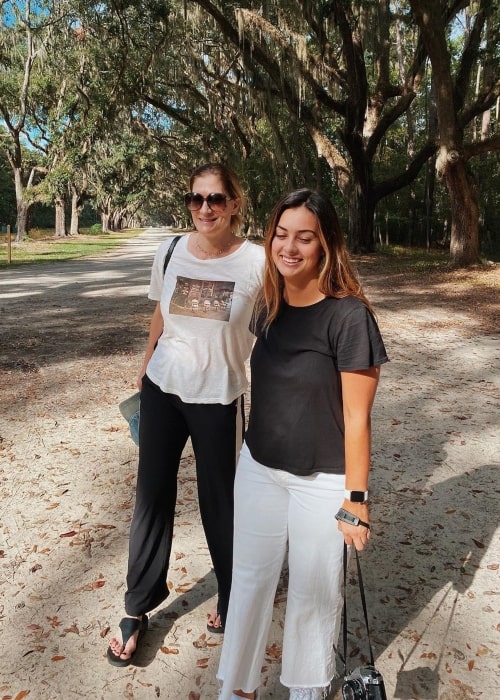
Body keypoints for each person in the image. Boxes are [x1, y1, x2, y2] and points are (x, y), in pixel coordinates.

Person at [216, 189, 389, 700]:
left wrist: (355, 501)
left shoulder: (349, 316)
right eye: (281, 234)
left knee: (314, 597)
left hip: (323, 480)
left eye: (304, 237)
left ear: (326, 245)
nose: (289, 247)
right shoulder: (266, 305)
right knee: (248, 582)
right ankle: (237, 688)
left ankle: (307, 690)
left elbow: (358, 417)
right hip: (259, 468)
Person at [107, 163, 265, 666]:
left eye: (216, 199)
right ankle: (138, 605)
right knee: (151, 495)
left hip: (219, 396)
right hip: (163, 388)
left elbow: (287, 318)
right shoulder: (170, 250)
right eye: (196, 199)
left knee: (221, 500)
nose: (205, 209)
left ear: (236, 203)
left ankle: (233, 592)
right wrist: (145, 363)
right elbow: (160, 311)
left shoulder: (257, 262)